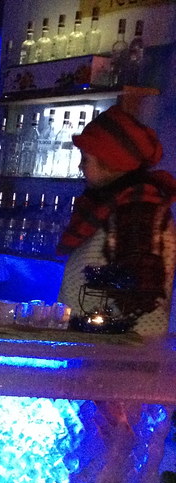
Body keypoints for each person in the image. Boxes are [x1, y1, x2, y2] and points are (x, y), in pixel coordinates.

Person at [57, 104, 176, 337]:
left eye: (86, 159)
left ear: (111, 163)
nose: (80, 166)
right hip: (100, 340)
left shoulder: (138, 211)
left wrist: (98, 321)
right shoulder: (115, 206)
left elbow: (141, 290)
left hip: (121, 345)